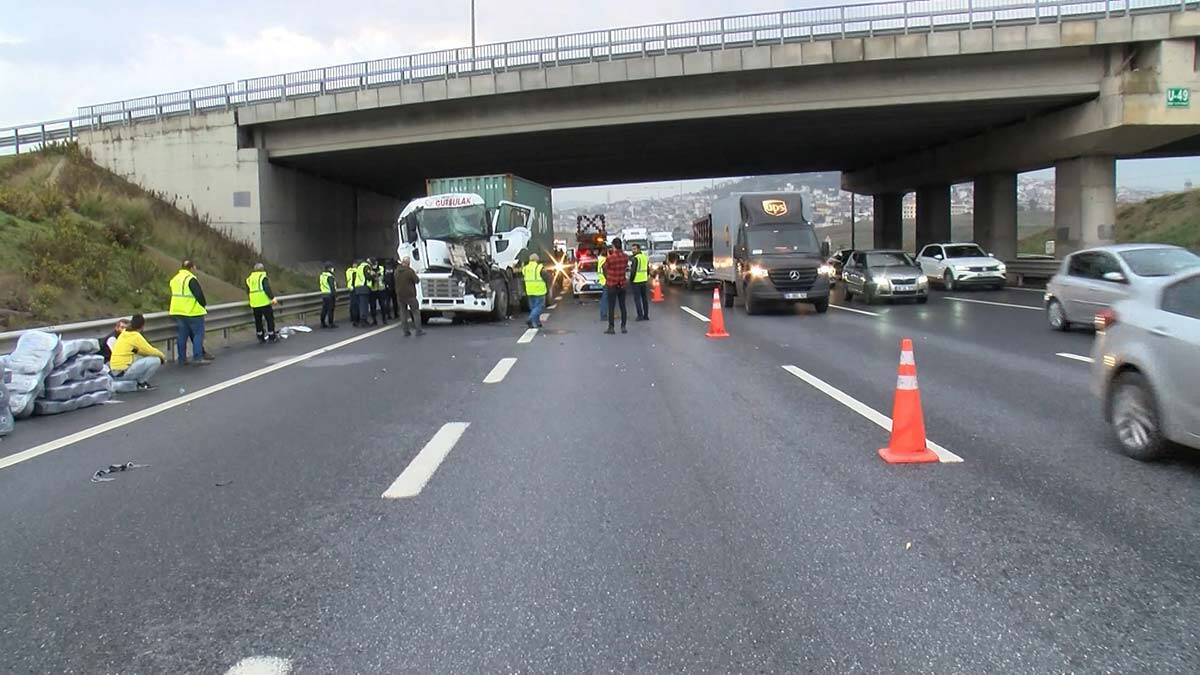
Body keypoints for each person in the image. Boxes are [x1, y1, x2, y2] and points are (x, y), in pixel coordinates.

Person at [168, 259, 212, 365]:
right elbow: (198, 295)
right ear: (192, 268)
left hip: (178, 311)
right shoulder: (191, 279)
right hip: (192, 311)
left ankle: (182, 359)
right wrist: (204, 305)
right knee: (198, 334)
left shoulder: (174, 279)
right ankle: (198, 357)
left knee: (182, 335)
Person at [109, 314, 165, 391]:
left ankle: (130, 382)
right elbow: (150, 350)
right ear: (142, 326)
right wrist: (162, 356)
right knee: (156, 360)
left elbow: (135, 350)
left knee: (138, 357)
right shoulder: (135, 336)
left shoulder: (125, 333)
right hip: (123, 372)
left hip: (115, 371)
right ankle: (142, 383)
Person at [246, 262, 279, 343]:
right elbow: (267, 288)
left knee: (258, 321)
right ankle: (271, 336)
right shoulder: (262, 277)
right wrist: (273, 298)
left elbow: (248, 291)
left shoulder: (249, 279)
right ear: (262, 269)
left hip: (254, 304)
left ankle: (260, 336)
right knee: (269, 319)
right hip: (264, 303)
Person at [602, 238, 629, 334]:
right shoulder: (625, 257)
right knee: (623, 306)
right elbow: (625, 267)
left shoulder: (610, 258)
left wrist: (608, 277)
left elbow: (604, 268)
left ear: (613, 246)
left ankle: (611, 327)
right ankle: (623, 326)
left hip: (612, 284)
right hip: (622, 284)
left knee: (611, 307)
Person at [394, 256, 424, 336]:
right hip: (410, 295)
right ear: (408, 263)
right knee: (415, 312)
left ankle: (406, 331)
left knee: (403, 313)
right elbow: (417, 280)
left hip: (400, 295)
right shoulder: (410, 271)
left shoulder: (396, 271)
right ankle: (418, 330)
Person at [522, 253, 547, 329]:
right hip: (539, 290)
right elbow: (545, 277)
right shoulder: (539, 267)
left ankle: (536, 323)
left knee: (533, 308)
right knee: (539, 307)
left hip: (529, 291)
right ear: (537, 259)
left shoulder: (525, 268)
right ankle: (530, 319)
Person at [630, 243, 651, 321]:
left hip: (636, 281)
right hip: (644, 281)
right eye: (632, 249)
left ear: (638, 249)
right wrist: (646, 277)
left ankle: (640, 315)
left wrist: (631, 280)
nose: (633, 251)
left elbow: (633, 271)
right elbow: (648, 269)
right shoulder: (645, 257)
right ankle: (646, 315)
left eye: (634, 249)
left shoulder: (635, 258)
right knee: (644, 299)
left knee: (637, 299)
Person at [354, 258, 372, 327]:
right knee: (364, 305)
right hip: (364, 288)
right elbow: (368, 277)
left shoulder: (359, 267)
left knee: (360, 305)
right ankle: (363, 321)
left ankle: (360, 320)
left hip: (358, 288)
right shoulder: (366, 266)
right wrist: (372, 276)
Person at [319, 262, 338, 329]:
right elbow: (332, 287)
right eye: (331, 267)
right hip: (330, 295)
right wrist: (335, 295)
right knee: (330, 309)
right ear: (329, 268)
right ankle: (331, 323)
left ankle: (322, 322)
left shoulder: (322, 275)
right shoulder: (330, 276)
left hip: (324, 294)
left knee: (324, 309)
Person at [346, 258, 361, 327]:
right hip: (355, 288)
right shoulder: (356, 271)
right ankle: (356, 319)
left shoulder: (348, 270)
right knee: (356, 305)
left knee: (352, 304)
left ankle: (352, 317)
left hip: (350, 288)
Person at [384, 258, 399, 322]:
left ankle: (388, 314)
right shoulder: (394, 268)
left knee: (387, 301)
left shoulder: (384, 269)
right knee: (395, 301)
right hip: (393, 287)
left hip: (387, 287)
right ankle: (396, 314)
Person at [596, 246, 608, 322]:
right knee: (605, 299)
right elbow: (605, 271)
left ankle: (603, 314)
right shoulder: (604, 260)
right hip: (605, 281)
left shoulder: (599, 259)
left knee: (604, 298)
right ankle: (603, 315)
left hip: (602, 280)